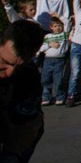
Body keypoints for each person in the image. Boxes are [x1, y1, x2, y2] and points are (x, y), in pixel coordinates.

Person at [0, 21, 46, 163]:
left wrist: (12, 154)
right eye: (4, 62)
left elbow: (28, 123)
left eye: (18, 66)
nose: (9, 72)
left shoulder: (29, 74)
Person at [38, 17, 68, 105]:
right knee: (45, 79)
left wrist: (59, 16)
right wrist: (50, 45)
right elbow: (42, 48)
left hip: (59, 60)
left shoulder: (64, 35)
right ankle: (46, 97)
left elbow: (67, 24)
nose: (57, 28)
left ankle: (60, 97)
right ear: (51, 27)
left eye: (59, 26)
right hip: (48, 60)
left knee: (58, 80)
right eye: (55, 26)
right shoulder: (48, 36)